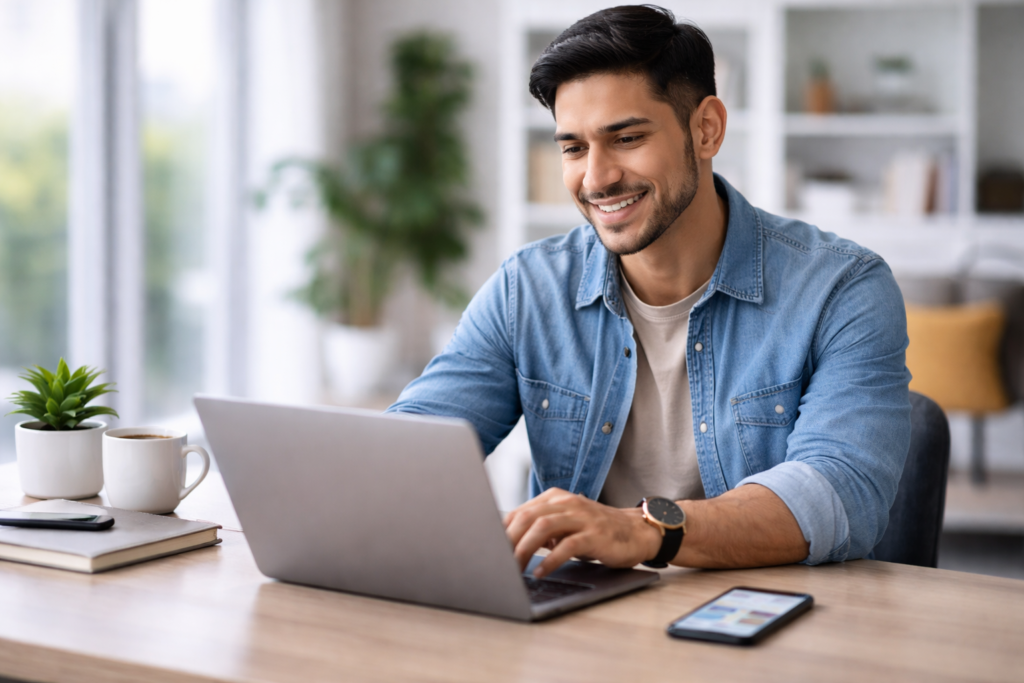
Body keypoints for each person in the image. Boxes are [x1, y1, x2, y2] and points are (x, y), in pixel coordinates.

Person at [387, 5, 911, 579]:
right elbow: (411, 448)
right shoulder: (527, 290)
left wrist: (643, 531)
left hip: (758, 624)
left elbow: (840, 493)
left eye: (627, 137)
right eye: (573, 148)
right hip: (578, 624)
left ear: (706, 128)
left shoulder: (842, 288)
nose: (596, 178)